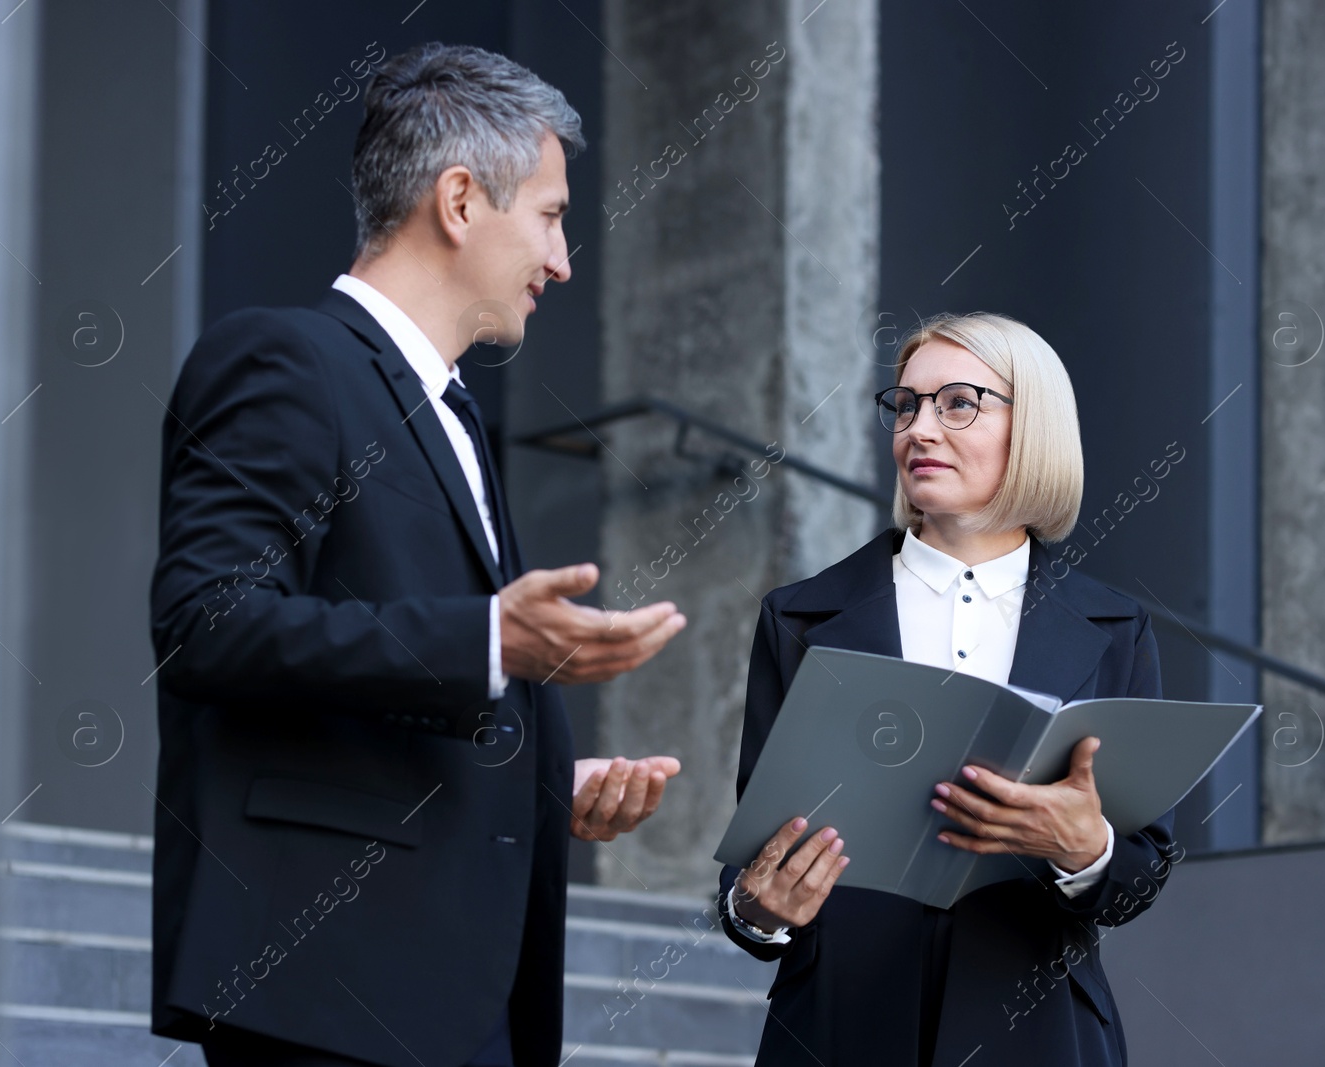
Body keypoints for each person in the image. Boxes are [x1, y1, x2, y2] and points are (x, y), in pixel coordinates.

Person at [148, 44, 685, 1067]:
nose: (562, 261)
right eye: (551, 214)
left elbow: (396, 675)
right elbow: (207, 622)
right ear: (458, 200)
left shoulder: (454, 415)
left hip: (447, 996)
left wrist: (540, 778)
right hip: (327, 988)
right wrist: (492, 635)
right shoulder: (286, 361)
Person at [716, 312, 1177, 1065]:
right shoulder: (798, 618)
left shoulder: (1116, 627)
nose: (919, 429)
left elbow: (1137, 876)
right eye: (906, 404)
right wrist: (759, 911)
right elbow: (754, 863)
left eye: (957, 403)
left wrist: (1085, 846)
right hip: (840, 1026)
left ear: (1033, 428)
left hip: (1038, 1033)